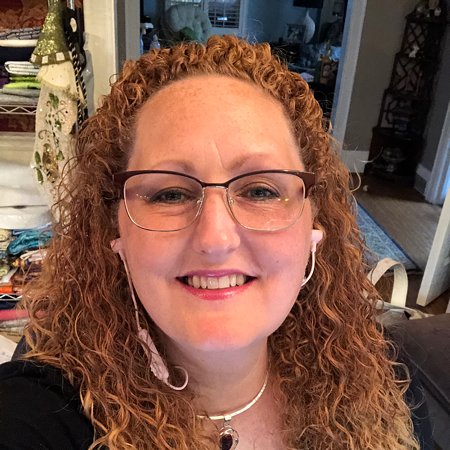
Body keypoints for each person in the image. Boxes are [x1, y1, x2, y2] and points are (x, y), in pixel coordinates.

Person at [0, 35, 427, 450]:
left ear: (313, 227)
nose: (216, 239)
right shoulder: (43, 411)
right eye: (170, 194)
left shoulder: (371, 382)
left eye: (259, 190)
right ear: (115, 233)